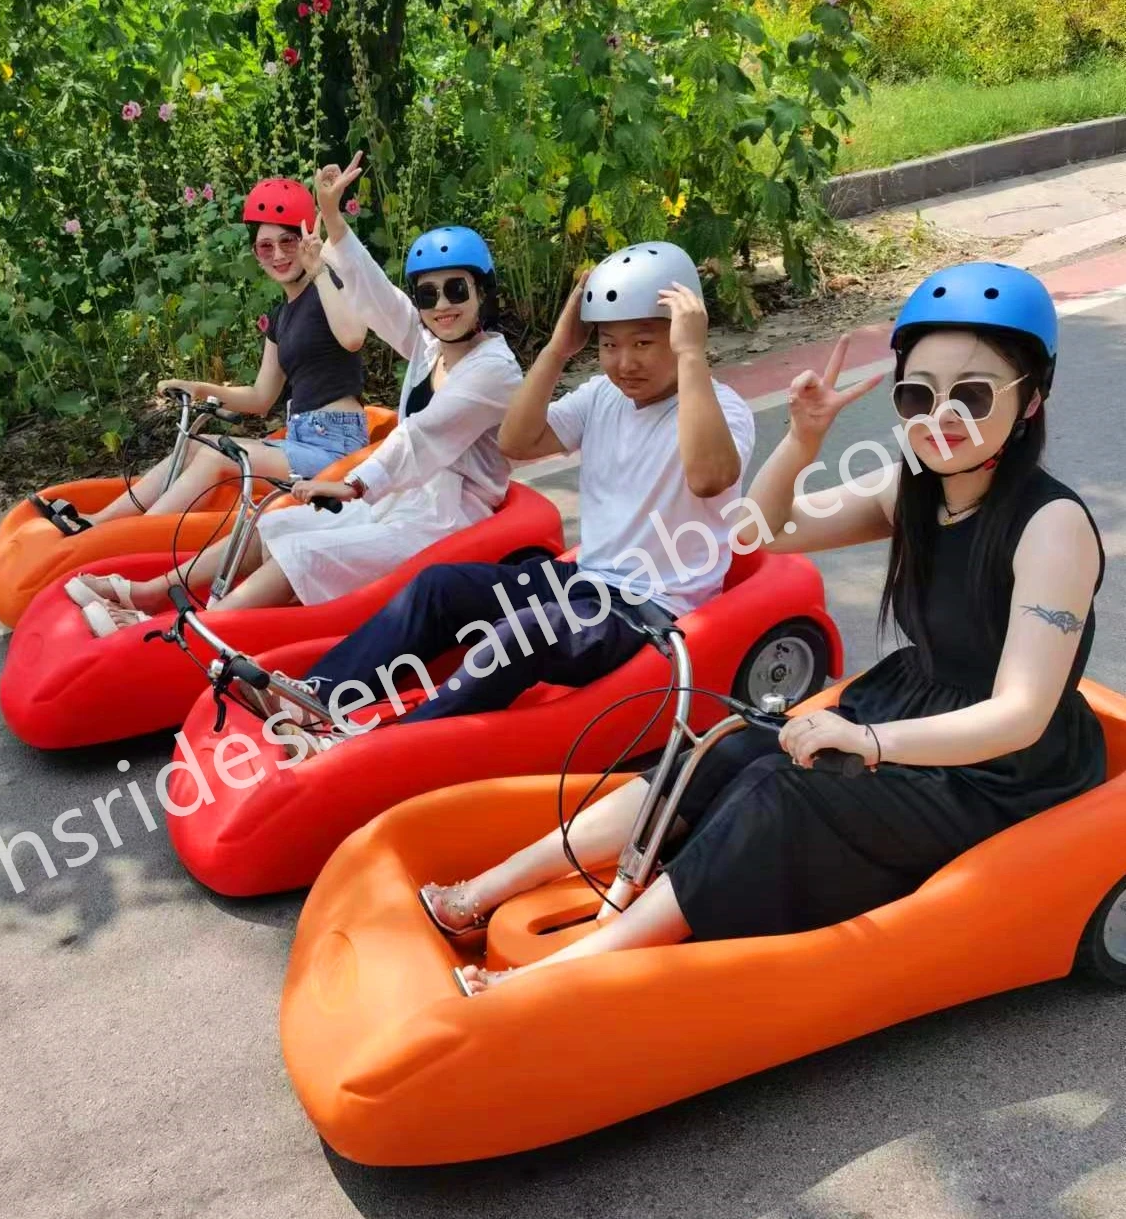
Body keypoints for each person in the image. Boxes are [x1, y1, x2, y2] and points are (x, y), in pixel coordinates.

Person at [421, 260, 1107, 995]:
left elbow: (1020, 714)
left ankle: (565, 974)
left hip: (997, 771)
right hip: (912, 708)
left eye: (972, 395)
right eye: (918, 394)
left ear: (1032, 398)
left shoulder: (1052, 526)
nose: (941, 417)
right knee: (727, 745)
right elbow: (758, 533)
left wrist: (871, 743)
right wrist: (802, 441)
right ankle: (484, 891)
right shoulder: (913, 485)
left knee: (780, 789)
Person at [272, 238, 757, 755]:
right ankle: (318, 696)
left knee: (521, 632)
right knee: (441, 586)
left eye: (643, 343)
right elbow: (517, 441)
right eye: (609, 345)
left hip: (649, 609)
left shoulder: (723, 409)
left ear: (681, 335)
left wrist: (691, 356)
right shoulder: (603, 396)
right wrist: (557, 350)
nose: (624, 363)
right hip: (585, 582)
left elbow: (708, 477)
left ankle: (379, 748)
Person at [71, 153, 523, 635]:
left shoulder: (492, 370)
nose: (442, 305)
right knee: (276, 525)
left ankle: (185, 632)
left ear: (483, 293)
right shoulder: (430, 347)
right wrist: (331, 215)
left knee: (304, 549)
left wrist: (354, 484)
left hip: (446, 516)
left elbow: (423, 437)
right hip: (404, 499)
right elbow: (377, 296)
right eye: (428, 295)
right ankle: (147, 592)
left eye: (456, 290)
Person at [65, 176, 369, 545]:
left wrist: (318, 268)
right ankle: (97, 523)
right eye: (265, 247)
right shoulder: (280, 317)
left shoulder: (327, 286)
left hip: (336, 445)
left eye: (287, 242)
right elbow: (260, 397)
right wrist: (197, 388)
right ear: (256, 254)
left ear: (306, 240)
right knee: (195, 444)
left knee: (216, 458)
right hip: (300, 438)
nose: (278, 255)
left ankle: (127, 539)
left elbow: (353, 337)